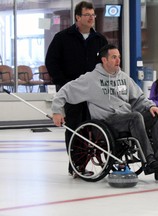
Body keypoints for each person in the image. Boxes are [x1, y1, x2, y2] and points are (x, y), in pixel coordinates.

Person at [51, 44, 158, 175]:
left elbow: (139, 98)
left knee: (157, 115)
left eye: (119, 57)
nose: (118, 60)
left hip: (127, 119)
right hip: (107, 122)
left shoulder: (124, 78)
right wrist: (57, 111)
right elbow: (65, 91)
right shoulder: (91, 79)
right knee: (135, 117)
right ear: (104, 60)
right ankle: (149, 161)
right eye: (114, 57)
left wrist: (152, 106)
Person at [45, 1, 108, 175]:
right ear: (78, 17)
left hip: (95, 93)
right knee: (75, 127)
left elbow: (107, 64)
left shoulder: (100, 40)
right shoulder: (62, 38)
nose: (91, 18)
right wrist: (63, 83)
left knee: (95, 128)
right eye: (87, 15)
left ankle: (100, 161)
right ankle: (76, 166)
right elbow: (51, 62)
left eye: (93, 15)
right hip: (71, 92)